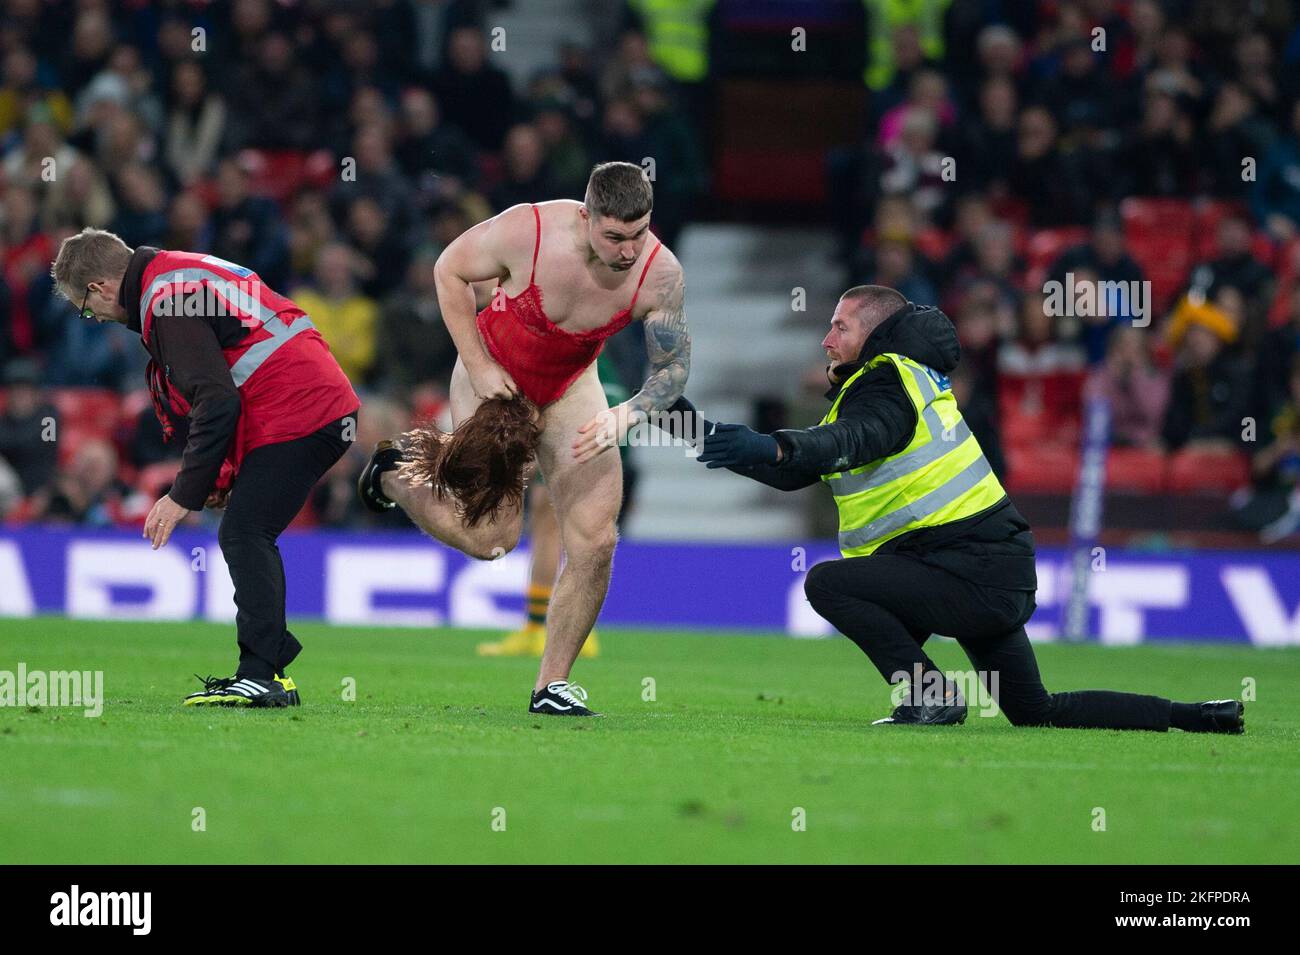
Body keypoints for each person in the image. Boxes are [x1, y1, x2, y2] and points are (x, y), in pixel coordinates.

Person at [672, 285, 1244, 733]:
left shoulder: (886, 380)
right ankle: (1195, 715)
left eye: (839, 326)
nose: (826, 339)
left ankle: (931, 699)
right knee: (1035, 710)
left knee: (829, 584)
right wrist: (690, 426)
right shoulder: (898, 383)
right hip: (985, 569)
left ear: (872, 335)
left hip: (964, 568)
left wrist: (773, 441)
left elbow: (860, 437)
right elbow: (798, 469)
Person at [358, 162, 689, 717]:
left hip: (571, 388)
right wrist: (478, 365)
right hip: (494, 379)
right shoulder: (529, 229)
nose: (629, 250)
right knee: (492, 538)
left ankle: (551, 686)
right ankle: (396, 474)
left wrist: (626, 415)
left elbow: (673, 370)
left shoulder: (660, 273)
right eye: (614, 236)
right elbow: (448, 270)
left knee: (597, 540)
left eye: (640, 233)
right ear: (586, 218)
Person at [50, 228, 360, 708]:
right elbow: (234, 372)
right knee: (247, 530)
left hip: (300, 408)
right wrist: (218, 477)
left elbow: (217, 401)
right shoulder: (174, 276)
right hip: (309, 402)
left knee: (244, 532)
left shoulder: (166, 299)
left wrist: (182, 495)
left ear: (100, 288)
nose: (96, 319)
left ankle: (262, 676)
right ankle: (268, 674)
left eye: (87, 310)